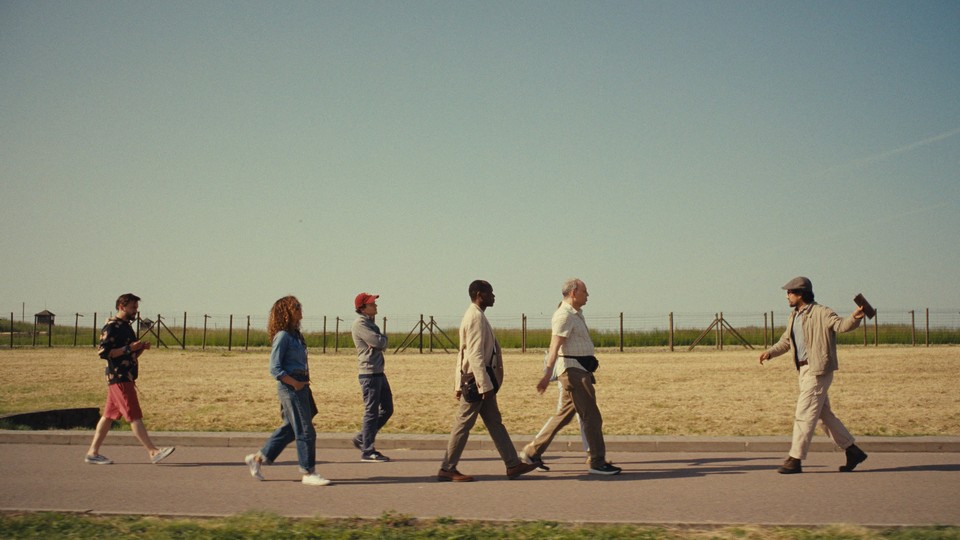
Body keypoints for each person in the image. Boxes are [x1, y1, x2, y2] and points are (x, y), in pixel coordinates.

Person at [759, 276, 869, 474]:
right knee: (822, 416)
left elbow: (841, 325)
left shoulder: (821, 312)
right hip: (803, 371)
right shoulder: (794, 316)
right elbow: (786, 341)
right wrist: (770, 353)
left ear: (801, 293)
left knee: (804, 413)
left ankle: (795, 459)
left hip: (818, 370)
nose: (787, 297)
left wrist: (855, 318)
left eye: (790, 293)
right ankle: (853, 451)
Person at [437, 280, 538, 482]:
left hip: (482, 381)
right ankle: (447, 468)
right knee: (463, 424)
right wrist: (484, 386)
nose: (494, 296)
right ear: (480, 294)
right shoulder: (475, 317)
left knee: (495, 423)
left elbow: (462, 353)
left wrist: (459, 383)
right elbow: (473, 355)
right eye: (490, 292)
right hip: (477, 381)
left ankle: (512, 464)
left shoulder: (476, 315)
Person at [521, 278, 621, 475]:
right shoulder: (563, 315)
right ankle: (597, 461)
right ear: (573, 292)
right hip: (573, 372)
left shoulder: (575, 314)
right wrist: (547, 375)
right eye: (585, 291)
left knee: (564, 415)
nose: (588, 295)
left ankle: (532, 451)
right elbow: (554, 347)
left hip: (580, 370)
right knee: (591, 416)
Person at [245, 296, 330, 486]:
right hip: (291, 386)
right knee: (306, 430)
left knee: (292, 428)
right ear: (286, 312)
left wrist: (303, 382)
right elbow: (274, 368)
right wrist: (294, 383)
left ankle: (258, 458)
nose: (301, 310)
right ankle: (308, 472)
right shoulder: (283, 336)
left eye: (300, 306)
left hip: (301, 384)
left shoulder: (296, 335)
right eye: (296, 307)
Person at [84, 293, 175, 465]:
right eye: (133, 308)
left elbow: (130, 353)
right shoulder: (112, 326)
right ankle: (153, 451)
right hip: (119, 377)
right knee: (133, 414)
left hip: (126, 376)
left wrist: (140, 349)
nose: (135, 311)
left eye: (136, 308)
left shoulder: (126, 326)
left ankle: (92, 452)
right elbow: (103, 353)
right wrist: (128, 348)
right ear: (121, 306)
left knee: (108, 416)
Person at [350, 292, 393, 462]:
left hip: (378, 372)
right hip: (369, 374)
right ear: (362, 308)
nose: (375, 306)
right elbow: (380, 342)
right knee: (371, 412)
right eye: (372, 304)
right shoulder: (360, 324)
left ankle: (362, 438)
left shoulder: (370, 323)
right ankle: (367, 450)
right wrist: (380, 341)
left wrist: (380, 341)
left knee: (387, 409)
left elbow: (380, 342)